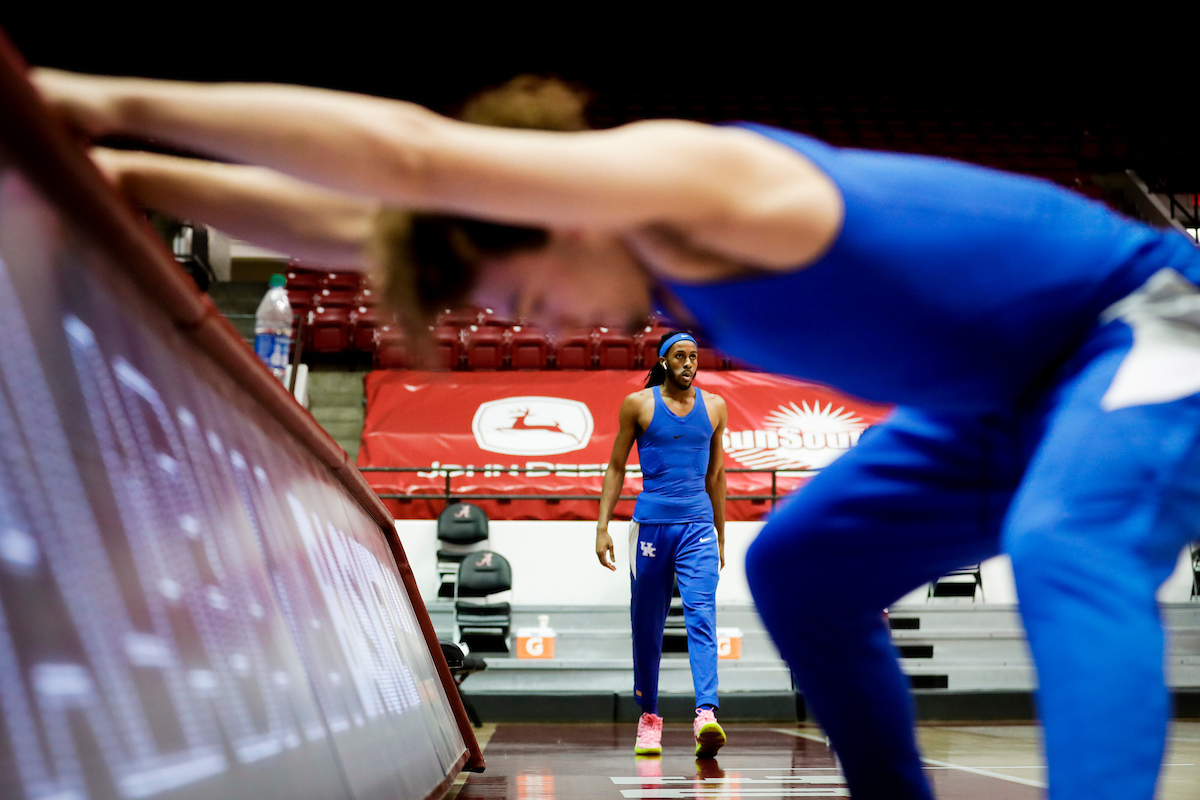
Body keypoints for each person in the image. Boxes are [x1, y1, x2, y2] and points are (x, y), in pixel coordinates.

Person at [31, 69, 1200, 800]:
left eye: (528, 294)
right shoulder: (640, 261)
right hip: (1000, 395)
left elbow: (410, 154)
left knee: (1067, 542)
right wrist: (124, 174)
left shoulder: (690, 182)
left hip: (1141, 321)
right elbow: (356, 218)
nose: (543, 321)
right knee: (800, 568)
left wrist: (93, 103)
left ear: (547, 206)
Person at [595, 330, 729, 758]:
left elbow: (717, 477)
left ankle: (705, 713)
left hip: (698, 527)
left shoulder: (715, 407)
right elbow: (616, 467)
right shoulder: (639, 404)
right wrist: (602, 528)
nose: (689, 363)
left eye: (694, 357)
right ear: (664, 361)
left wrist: (721, 535)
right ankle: (649, 717)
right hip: (651, 527)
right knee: (647, 625)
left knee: (702, 616)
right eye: (680, 356)